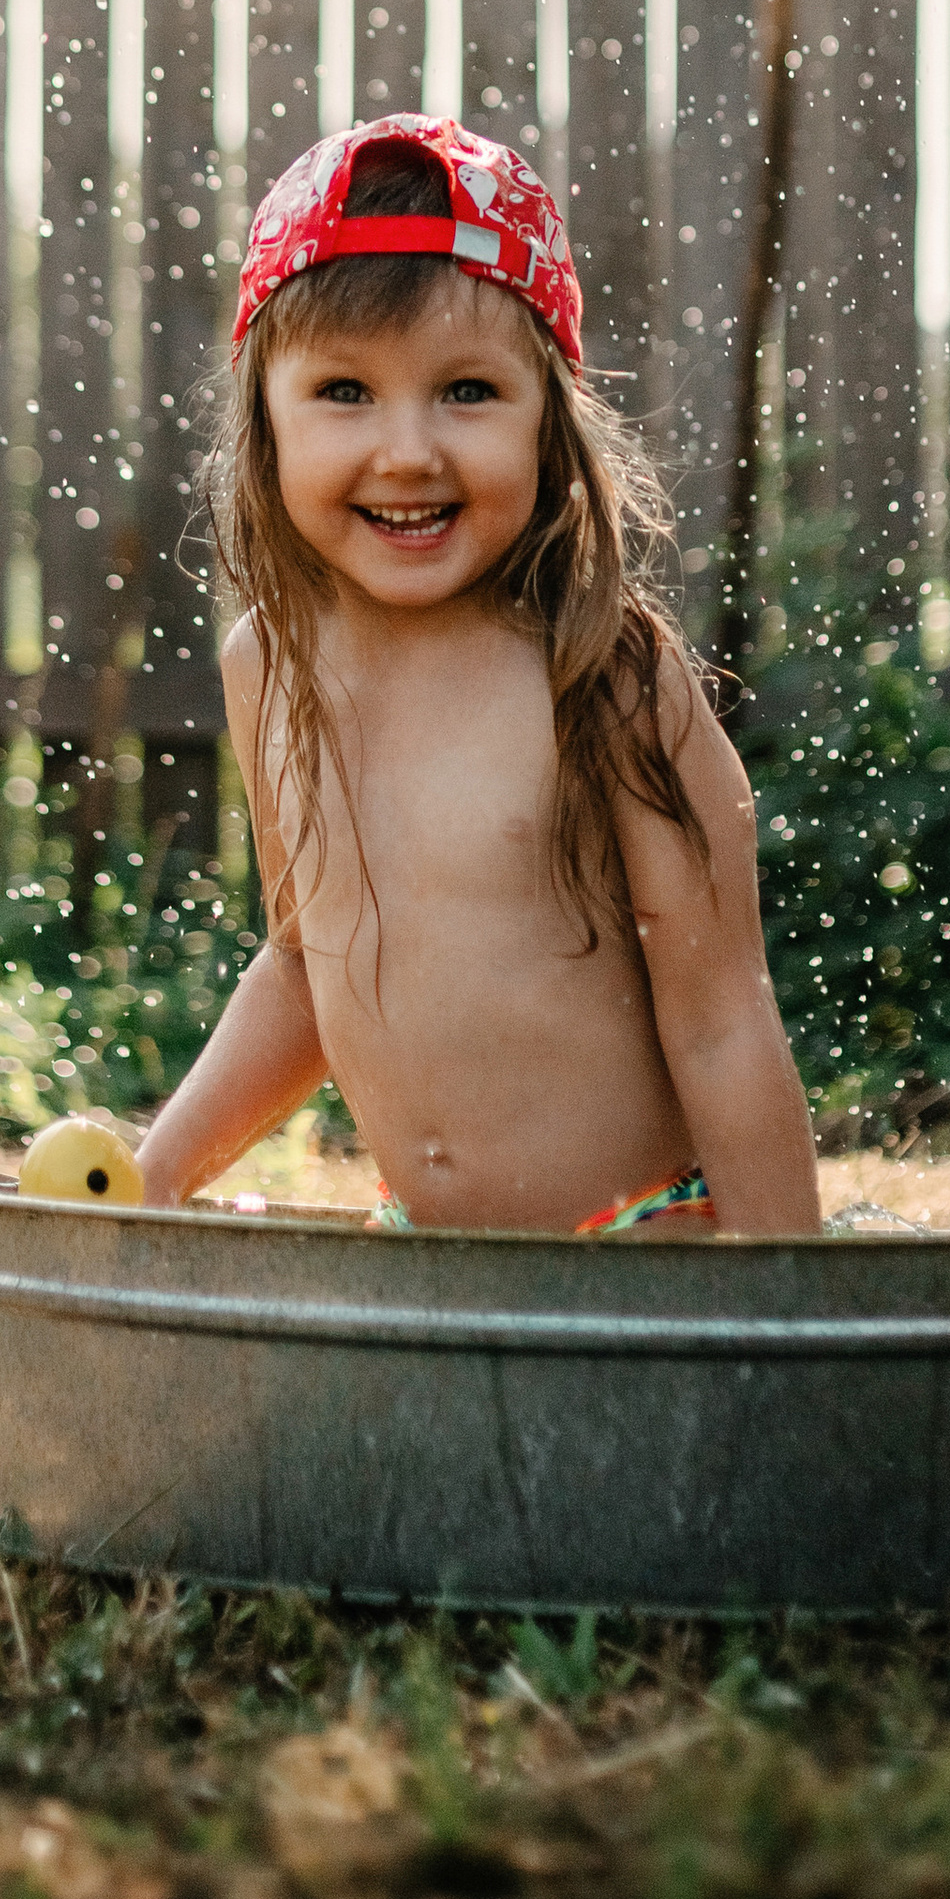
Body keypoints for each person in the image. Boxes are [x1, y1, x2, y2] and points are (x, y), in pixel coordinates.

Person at [132, 115, 820, 1238]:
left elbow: (721, 1021)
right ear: (265, 415)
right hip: (433, 1259)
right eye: (344, 393)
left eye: (466, 392)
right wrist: (156, 1173)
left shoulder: (600, 671)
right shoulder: (270, 664)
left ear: (549, 416)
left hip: (642, 1241)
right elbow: (308, 967)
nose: (407, 451)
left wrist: (792, 1309)